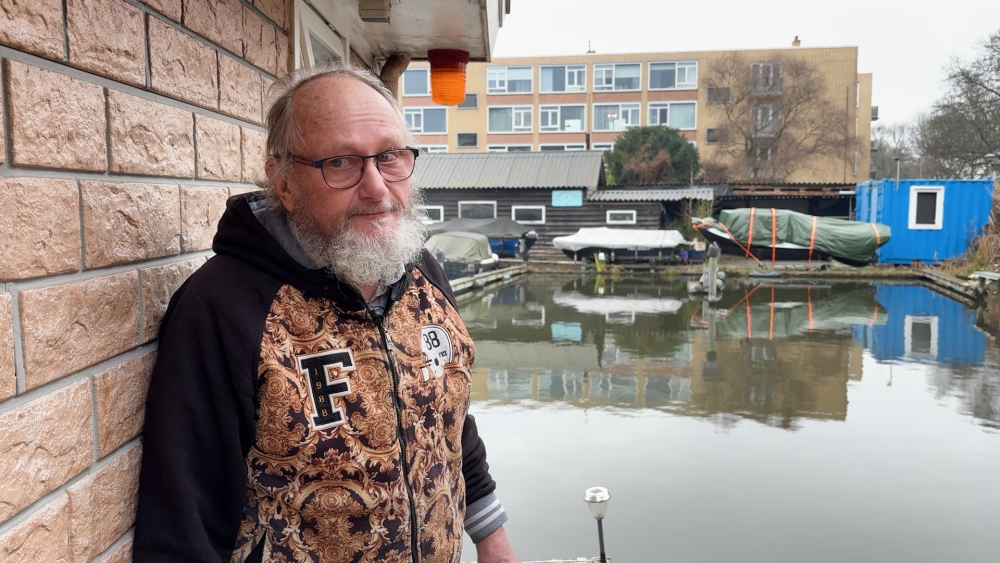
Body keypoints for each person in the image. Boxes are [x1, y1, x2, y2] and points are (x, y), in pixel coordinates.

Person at [133, 62, 519, 563]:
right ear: (284, 181)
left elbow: (448, 416)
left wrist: (492, 538)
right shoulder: (221, 309)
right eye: (341, 162)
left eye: (391, 157)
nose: (377, 187)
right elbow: (183, 527)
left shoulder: (422, 270)